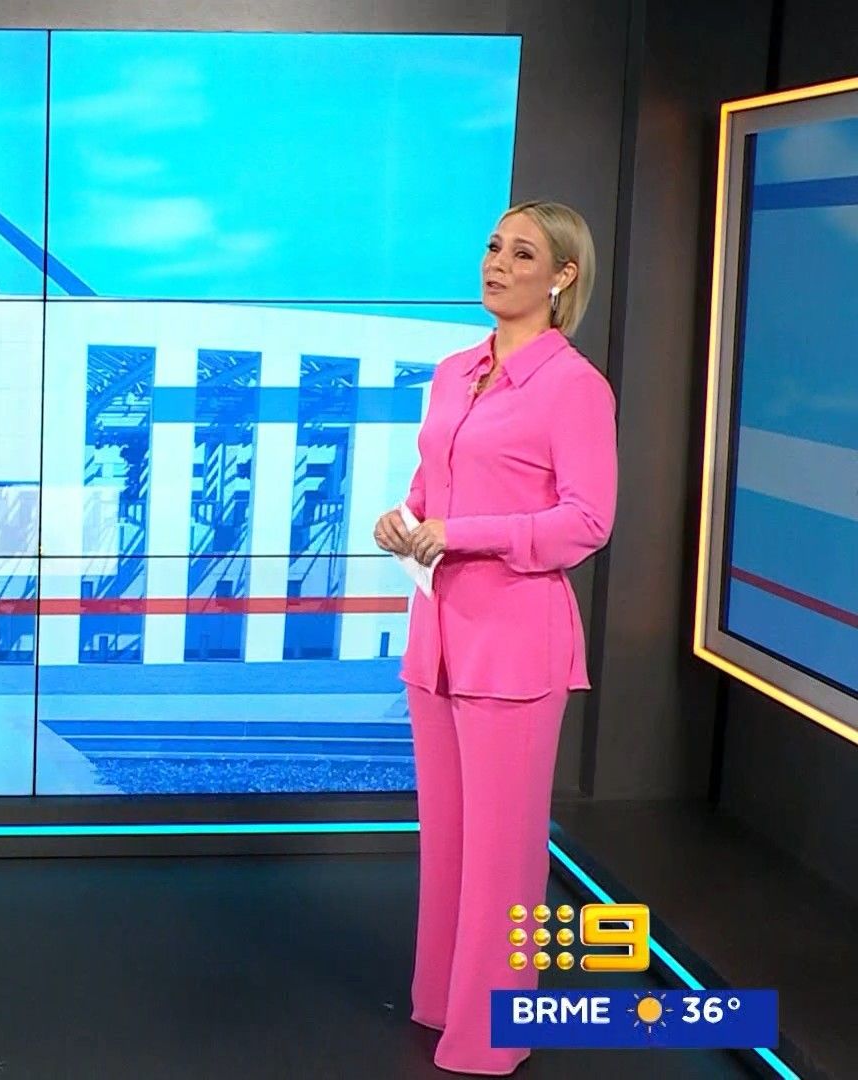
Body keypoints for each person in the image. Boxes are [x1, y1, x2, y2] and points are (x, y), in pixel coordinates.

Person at [372, 200, 616, 1075]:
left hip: (515, 649)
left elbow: (587, 522)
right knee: (447, 837)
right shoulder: (453, 373)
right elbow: (431, 488)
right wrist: (402, 522)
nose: (497, 264)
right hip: (436, 640)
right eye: (492, 247)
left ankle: (493, 1034)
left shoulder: (575, 388)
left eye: (522, 254)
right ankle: (444, 1003)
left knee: (504, 854)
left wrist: (466, 534)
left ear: (562, 278)